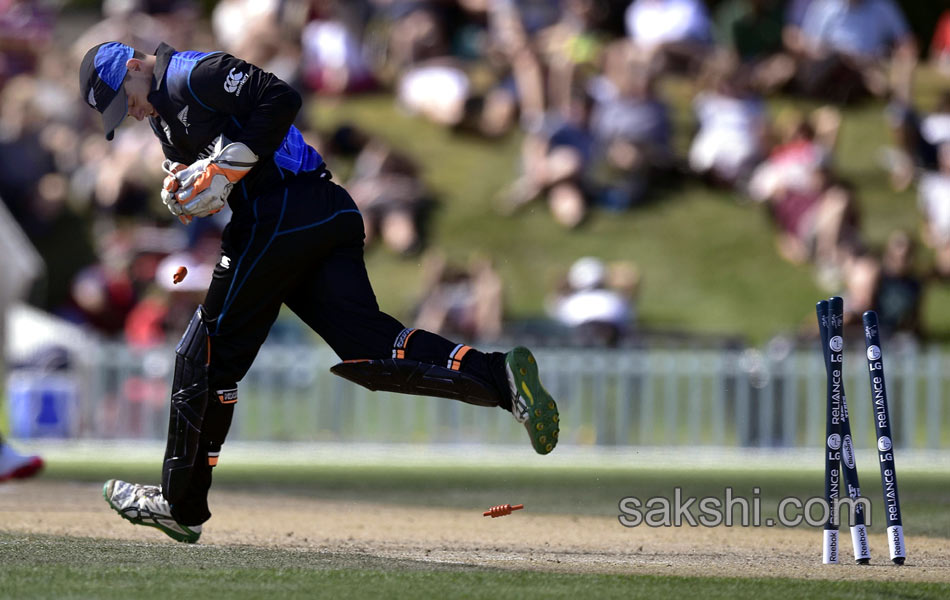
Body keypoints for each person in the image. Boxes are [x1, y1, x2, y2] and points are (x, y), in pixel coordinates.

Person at [79, 41, 559, 544]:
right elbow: (200, 169)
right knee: (372, 351)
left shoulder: (193, 73)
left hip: (284, 209)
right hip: (318, 215)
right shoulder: (161, 120)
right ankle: (501, 377)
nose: (128, 113)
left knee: (203, 358)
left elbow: (280, 98)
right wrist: (179, 187)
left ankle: (180, 505)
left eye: (123, 98)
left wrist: (228, 165)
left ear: (135, 66)